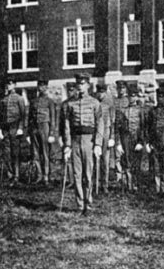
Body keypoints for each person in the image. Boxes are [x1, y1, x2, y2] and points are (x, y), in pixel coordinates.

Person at [63, 74, 102, 215]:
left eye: (83, 83)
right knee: (76, 174)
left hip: (89, 140)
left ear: (88, 85)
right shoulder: (69, 104)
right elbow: (66, 125)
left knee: (88, 173)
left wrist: (98, 144)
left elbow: (100, 124)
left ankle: (89, 204)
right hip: (75, 140)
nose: (80, 86)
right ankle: (80, 205)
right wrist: (67, 145)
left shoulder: (94, 103)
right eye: (78, 83)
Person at [114, 85, 144, 192]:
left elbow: (143, 128)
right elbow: (117, 128)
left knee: (137, 162)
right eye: (130, 96)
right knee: (126, 161)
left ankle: (136, 185)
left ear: (137, 97)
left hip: (136, 138)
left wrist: (141, 142)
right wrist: (118, 143)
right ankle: (128, 185)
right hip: (125, 138)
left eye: (134, 96)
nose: (132, 98)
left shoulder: (141, 111)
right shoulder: (123, 111)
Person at [146, 89, 164, 197]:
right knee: (155, 167)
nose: (160, 99)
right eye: (159, 97)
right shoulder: (152, 111)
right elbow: (149, 129)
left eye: (163, 97)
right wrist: (148, 143)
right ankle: (157, 190)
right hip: (155, 144)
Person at [0, 81, 28, 183]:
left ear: (15, 85)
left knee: (15, 152)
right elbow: (0, 116)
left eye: (10, 84)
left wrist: (21, 128)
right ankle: (10, 174)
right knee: (7, 152)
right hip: (5, 128)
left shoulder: (19, 98)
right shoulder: (4, 100)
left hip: (15, 128)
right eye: (7, 84)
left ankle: (17, 175)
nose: (8, 86)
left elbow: (23, 115)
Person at [29, 80, 57, 184]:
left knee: (45, 152)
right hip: (34, 128)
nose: (41, 88)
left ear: (46, 87)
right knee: (35, 153)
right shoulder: (33, 101)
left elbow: (53, 118)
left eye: (43, 86)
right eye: (39, 86)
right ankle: (39, 175)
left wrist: (52, 133)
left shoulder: (50, 101)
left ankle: (46, 176)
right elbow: (29, 118)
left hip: (45, 126)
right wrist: (29, 132)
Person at [93, 83, 116, 193]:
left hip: (106, 132)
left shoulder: (110, 103)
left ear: (105, 92)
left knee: (105, 160)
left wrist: (112, 137)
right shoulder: (94, 102)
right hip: (95, 132)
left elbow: (112, 121)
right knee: (94, 158)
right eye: (99, 92)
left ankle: (104, 184)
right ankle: (94, 183)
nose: (100, 95)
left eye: (102, 92)